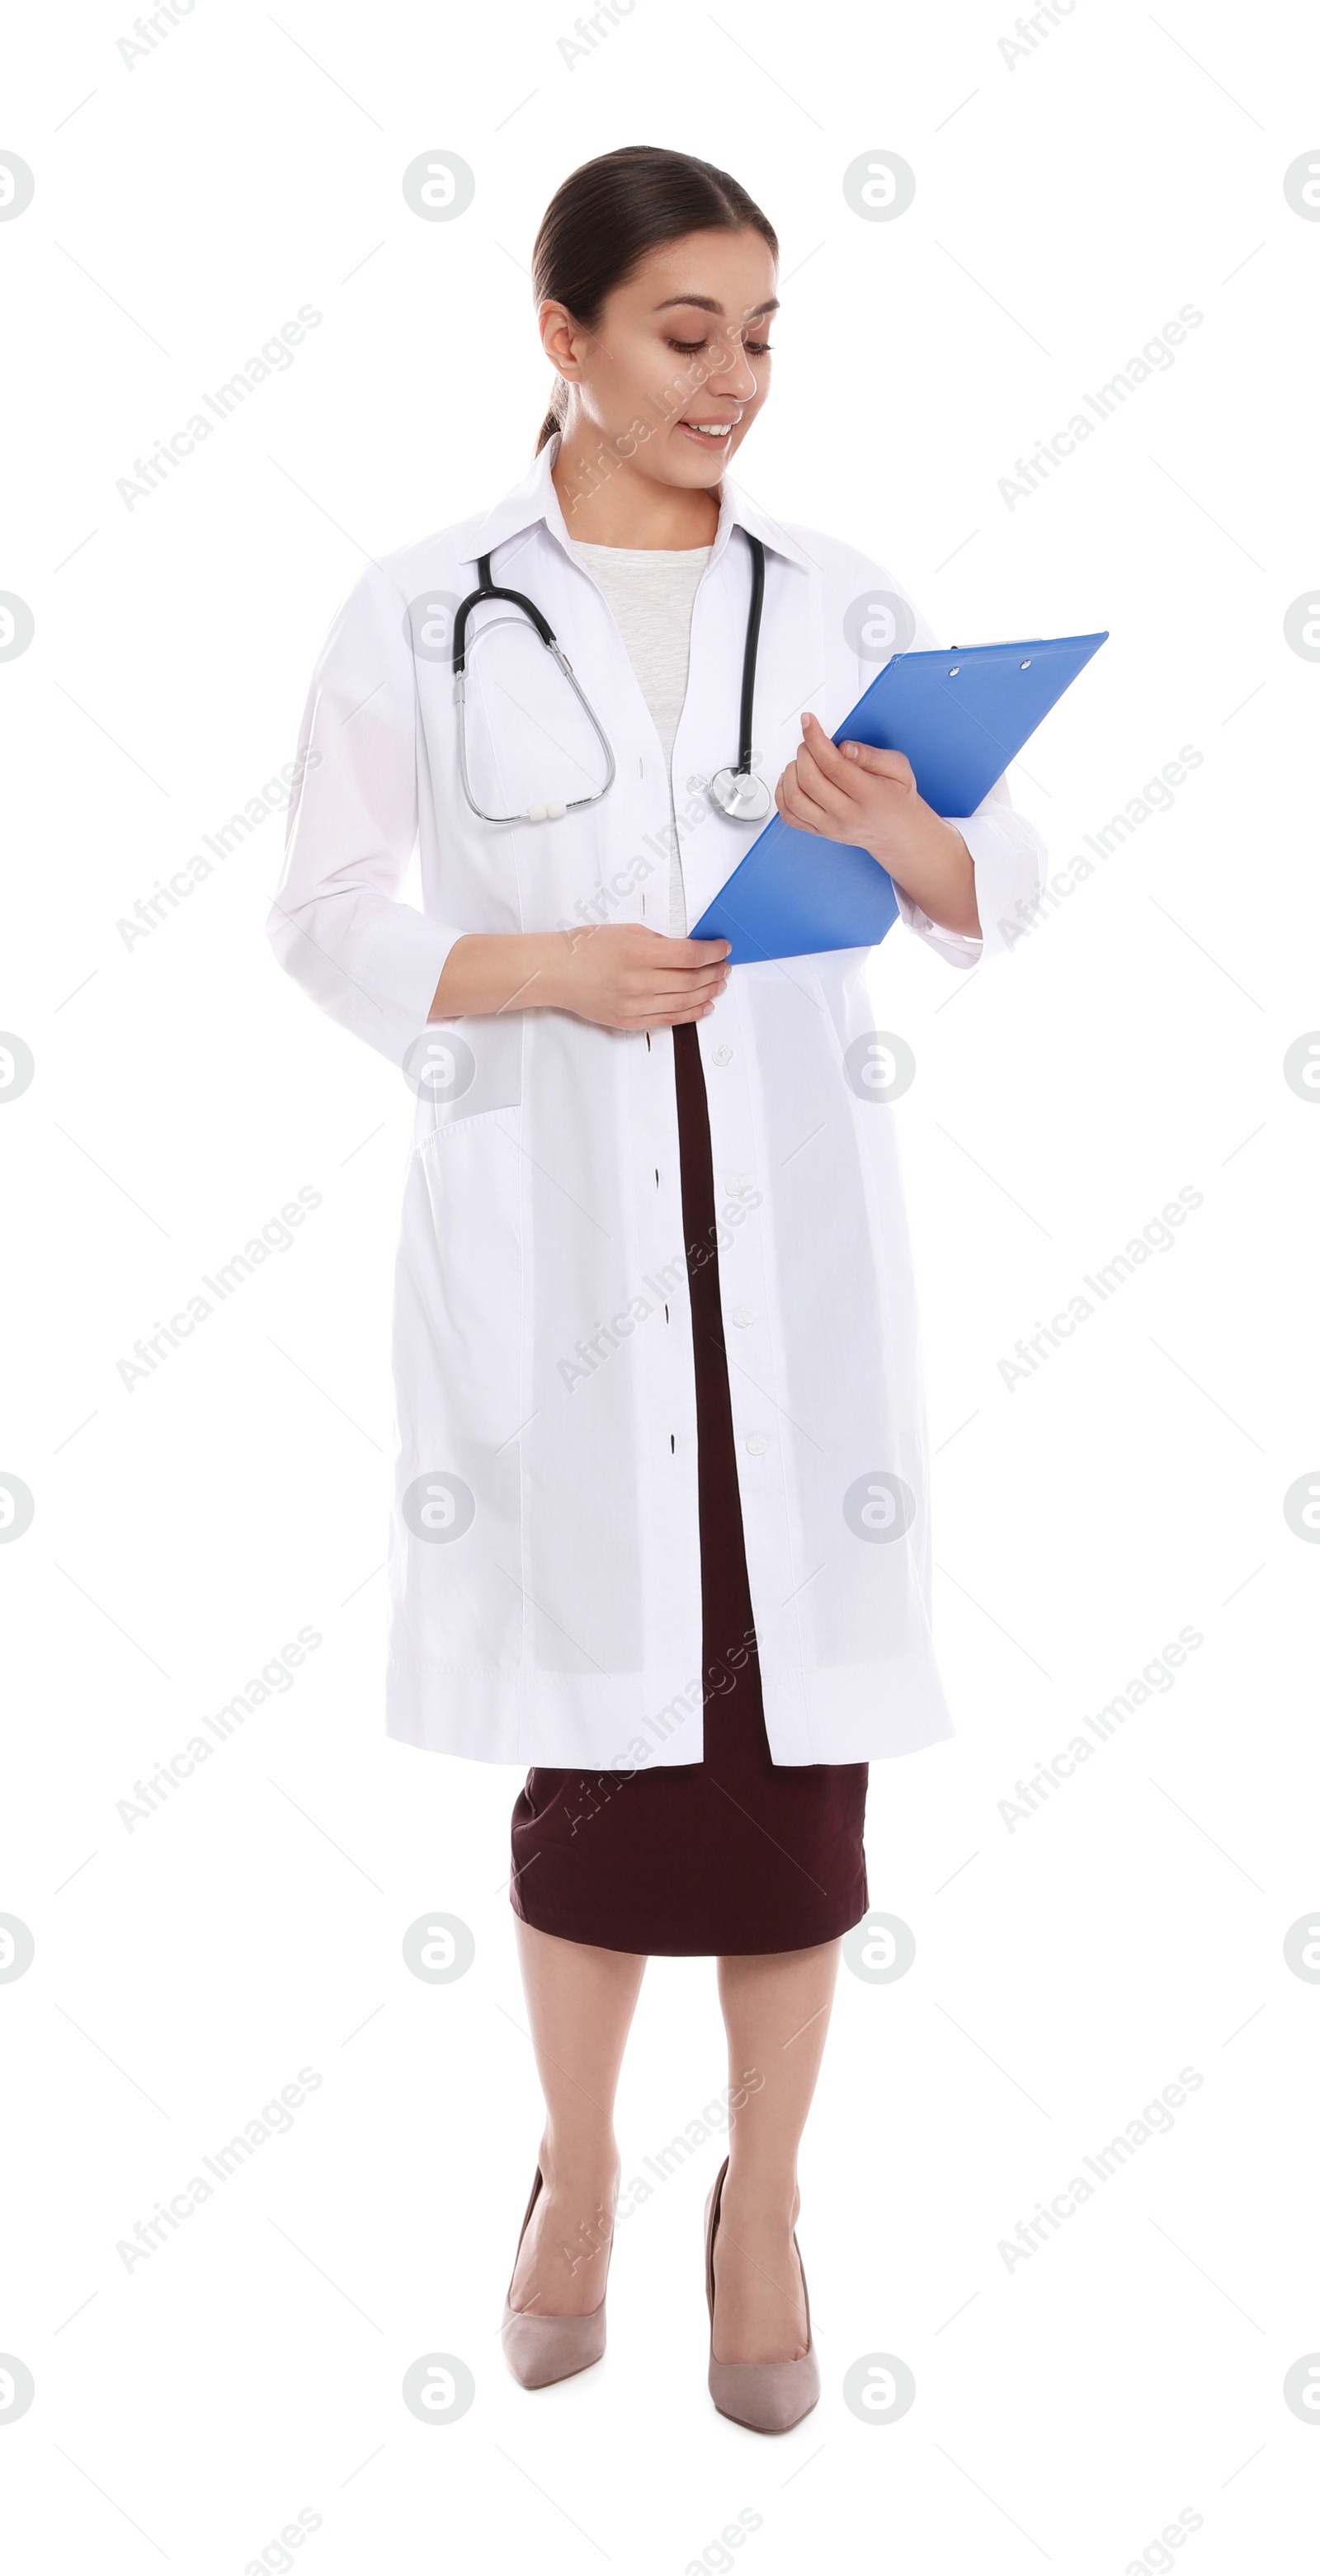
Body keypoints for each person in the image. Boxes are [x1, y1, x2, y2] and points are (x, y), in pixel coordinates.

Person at [268, 144, 1047, 2432]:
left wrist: (909, 835)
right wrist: (535, 966)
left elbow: (987, 872)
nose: (734, 380)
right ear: (565, 338)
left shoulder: (845, 598)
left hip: (785, 1245)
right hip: (565, 1265)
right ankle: (585, 2176)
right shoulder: (428, 606)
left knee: (800, 1768)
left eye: (765, 337)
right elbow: (320, 914)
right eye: (686, 334)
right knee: (595, 1744)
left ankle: (773, 2202)